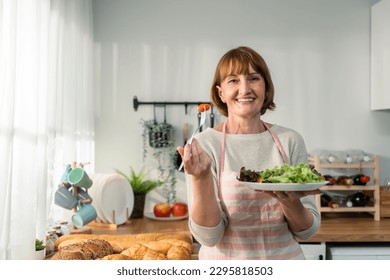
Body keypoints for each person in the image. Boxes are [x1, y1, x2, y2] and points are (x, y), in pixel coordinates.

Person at [176, 46, 320, 260]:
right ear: (221, 93)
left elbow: (306, 231)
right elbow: (208, 237)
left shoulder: (289, 140)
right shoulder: (204, 144)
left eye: (253, 78)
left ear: (266, 87)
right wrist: (201, 177)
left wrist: (289, 201)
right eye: (233, 80)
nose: (245, 89)